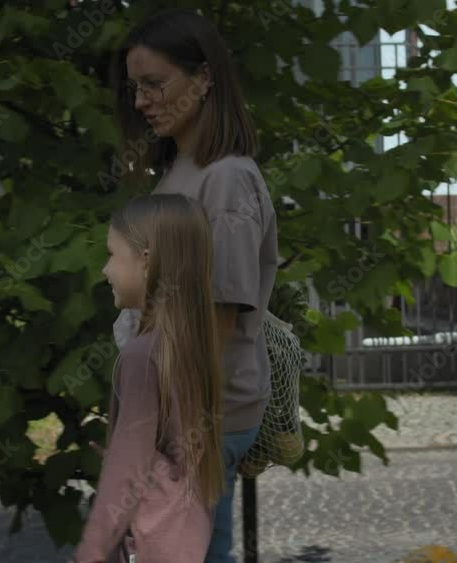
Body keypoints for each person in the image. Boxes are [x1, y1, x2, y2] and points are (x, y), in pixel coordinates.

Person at [109, 8, 279, 563]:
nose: (141, 102)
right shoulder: (183, 169)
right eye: (136, 88)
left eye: (155, 84)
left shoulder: (226, 178)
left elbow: (219, 316)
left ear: (204, 78)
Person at [72, 194, 226, 562]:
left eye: (113, 255)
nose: (106, 270)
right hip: (185, 535)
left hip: (150, 541)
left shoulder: (142, 357)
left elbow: (126, 473)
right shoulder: (190, 345)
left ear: (146, 260)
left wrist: (89, 554)